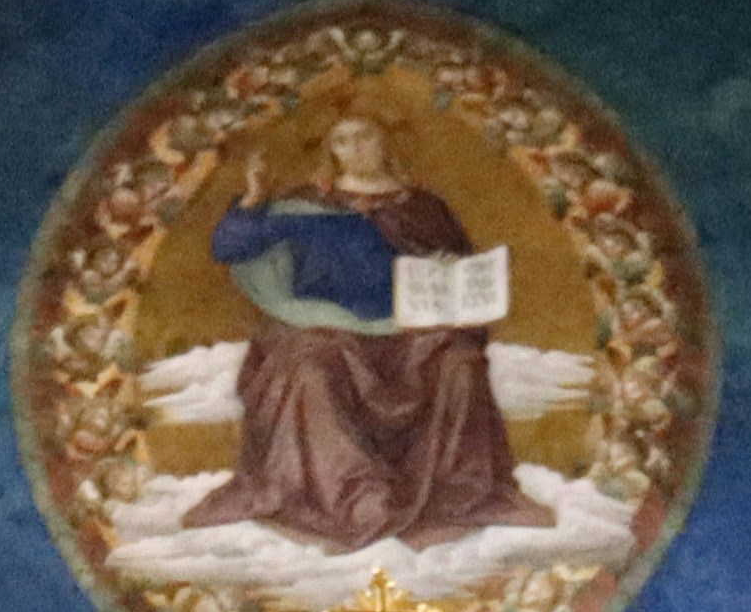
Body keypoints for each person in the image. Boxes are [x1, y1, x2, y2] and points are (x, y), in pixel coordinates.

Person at [197, 109, 523, 551]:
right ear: (332, 151)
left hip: (411, 333)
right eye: (343, 140)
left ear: (384, 141)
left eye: (364, 136)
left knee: (460, 364)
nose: (355, 149)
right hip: (327, 327)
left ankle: (458, 492)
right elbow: (230, 246)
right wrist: (253, 199)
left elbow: (463, 278)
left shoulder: (424, 207)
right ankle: (354, 497)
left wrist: (455, 288)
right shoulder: (308, 204)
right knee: (308, 370)